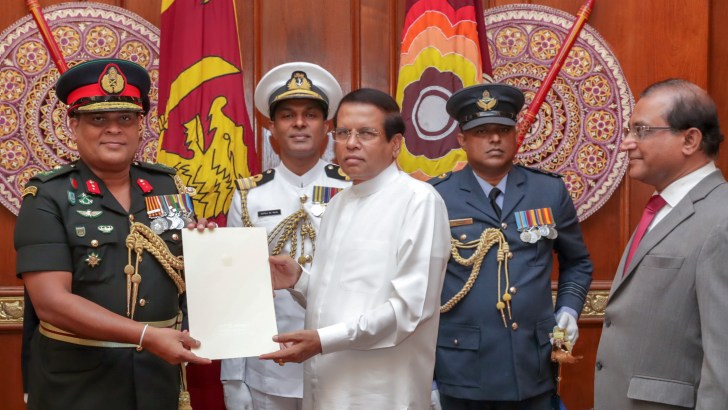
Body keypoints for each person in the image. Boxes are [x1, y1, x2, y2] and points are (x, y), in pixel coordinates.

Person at [14, 58, 212, 410]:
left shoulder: (166, 187)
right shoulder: (48, 195)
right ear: (73, 125)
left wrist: (209, 250)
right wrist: (145, 336)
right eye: (97, 119)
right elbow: (51, 304)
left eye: (125, 118)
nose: (113, 129)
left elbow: (185, 280)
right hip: (77, 383)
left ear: (140, 126)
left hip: (157, 379)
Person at [260, 88, 451, 409]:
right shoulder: (339, 204)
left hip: (381, 392)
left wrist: (323, 341)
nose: (351, 143)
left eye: (366, 133)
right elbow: (342, 295)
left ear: (395, 144)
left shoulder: (419, 201)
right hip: (325, 386)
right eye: (343, 132)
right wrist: (299, 280)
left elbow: (409, 311)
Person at [430, 83, 593, 409]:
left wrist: (569, 310)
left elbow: (577, 262)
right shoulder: (435, 197)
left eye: (503, 129)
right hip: (461, 369)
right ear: (462, 140)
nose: (494, 139)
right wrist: (428, 377)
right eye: (481, 131)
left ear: (516, 134)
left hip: (532, 364)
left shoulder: (548, 191)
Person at [221, 62, 350, 410]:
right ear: (271, 128)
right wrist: (233, 377)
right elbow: (236, 289)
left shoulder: (354, 187)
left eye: (310, 115)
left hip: (342, 360)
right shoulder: (248, 195)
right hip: (269, 367)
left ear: (327, 127)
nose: (298, 123)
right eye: (287, 115)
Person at [594, 79, 728, 409]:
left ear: (690, 139)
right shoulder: (662, 207)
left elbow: (723, 361)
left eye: (641, 130)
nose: (626, 143)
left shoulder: (721, 219)